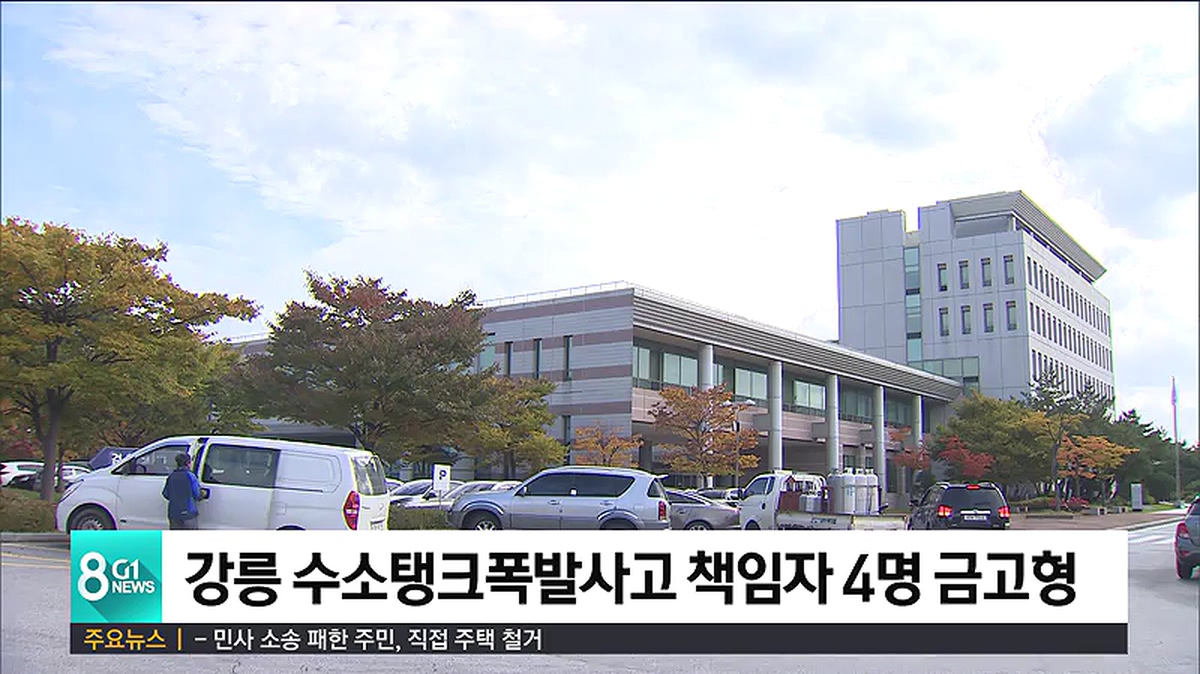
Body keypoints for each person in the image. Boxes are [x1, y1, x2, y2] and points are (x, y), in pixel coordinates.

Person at [162, 453, 201, 530]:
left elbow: (165, 494)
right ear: (188, 463)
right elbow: (197, 494)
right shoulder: (191, 476)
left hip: (174, 513)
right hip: (189, 513)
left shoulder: (171, 476)